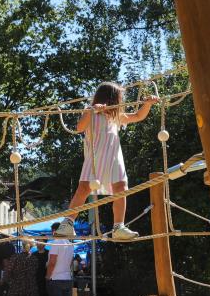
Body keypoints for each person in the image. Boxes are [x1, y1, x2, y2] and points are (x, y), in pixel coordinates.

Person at [55, 82, 160, 240]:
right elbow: (80, 127)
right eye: (119, 98)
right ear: (111, 98)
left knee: (121, 187)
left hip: (114, 157)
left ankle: (119, 226)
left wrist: (148, 104)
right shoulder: (91, 112)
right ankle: (67, 223)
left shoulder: (116, 116)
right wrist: (92, 110)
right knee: (84, 188)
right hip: (95, 157)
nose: (121, 101)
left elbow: (138, 116)